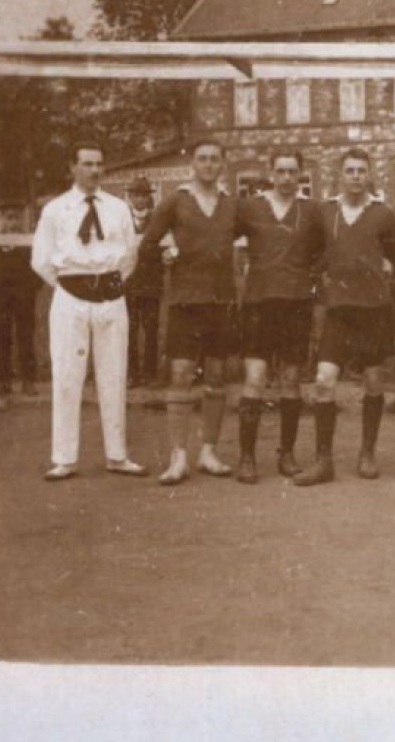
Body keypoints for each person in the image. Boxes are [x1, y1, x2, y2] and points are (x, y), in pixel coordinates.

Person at [29, 140, 146, 480]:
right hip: (70, 297)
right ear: (73, 167)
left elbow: (129, 255)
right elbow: (40, 259)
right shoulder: (55, 210)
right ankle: (65, 458)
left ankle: (118, 455)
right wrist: (71, 286)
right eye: (87, 163)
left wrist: (107, 284)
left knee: (114, 375)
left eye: (99, 164)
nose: (95, 170)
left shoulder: (117, 208)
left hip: (110, 296)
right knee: (67, 377)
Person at [300, 148, 395, 483]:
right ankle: (324, 461)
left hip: (374, 312)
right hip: (337, 311)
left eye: (361, 170)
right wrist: (319, 281)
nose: (355, 176)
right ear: (340, 174)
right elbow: (312, 255)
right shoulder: (325, 212)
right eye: (350, 170)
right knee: (323, 381)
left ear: (369, 174)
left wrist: (394, 307)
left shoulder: (383, 214)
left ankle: (367, 454)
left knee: (374, 382)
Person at [140, 140, 240, 485]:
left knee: (215, 376)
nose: (209, 164)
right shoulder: (175, 201)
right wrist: (166, 250)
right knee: (181, 374)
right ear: (192, 164)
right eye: (203, 159)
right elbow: (148, 243)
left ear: (223, 164)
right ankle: (178, 456)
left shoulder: (232, 205)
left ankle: (209, 452)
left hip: (221, 302)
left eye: (215, 159)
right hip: (185, 302)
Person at [231, 151, 322, 484]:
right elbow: (218, 235)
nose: (286, 177)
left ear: (300, 174)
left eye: (292, 171)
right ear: (271, 172)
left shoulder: (311, 210)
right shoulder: (250, 207)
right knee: (254, 377)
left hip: (297, 304)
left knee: (290, 379)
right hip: (259, 303)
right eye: (281, 171)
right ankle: (247, 456)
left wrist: (312, 275)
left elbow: (327, 248)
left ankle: (287, 453)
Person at [0, 204, 39, 397]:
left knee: (25, 337)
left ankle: (28, 381)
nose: (11, 223)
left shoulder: (27, 243)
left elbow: (38, 268)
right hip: (1, 298)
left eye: (15, 219)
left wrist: (30, 290)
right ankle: (4, 381)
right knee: (2, 337)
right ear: (1, 220)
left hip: (24, 298)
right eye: (7, 218)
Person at [124, 178, 164, 389]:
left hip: (151, 283)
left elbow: (165, 245)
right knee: (129, 330)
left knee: (151, 329)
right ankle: (132, 374)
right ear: (130, 197)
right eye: (136, 195)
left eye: (144, 195)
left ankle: (150, 373)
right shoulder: (122, 219)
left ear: (149, 197)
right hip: (129, 283)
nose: (140, 199)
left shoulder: (157, 218)